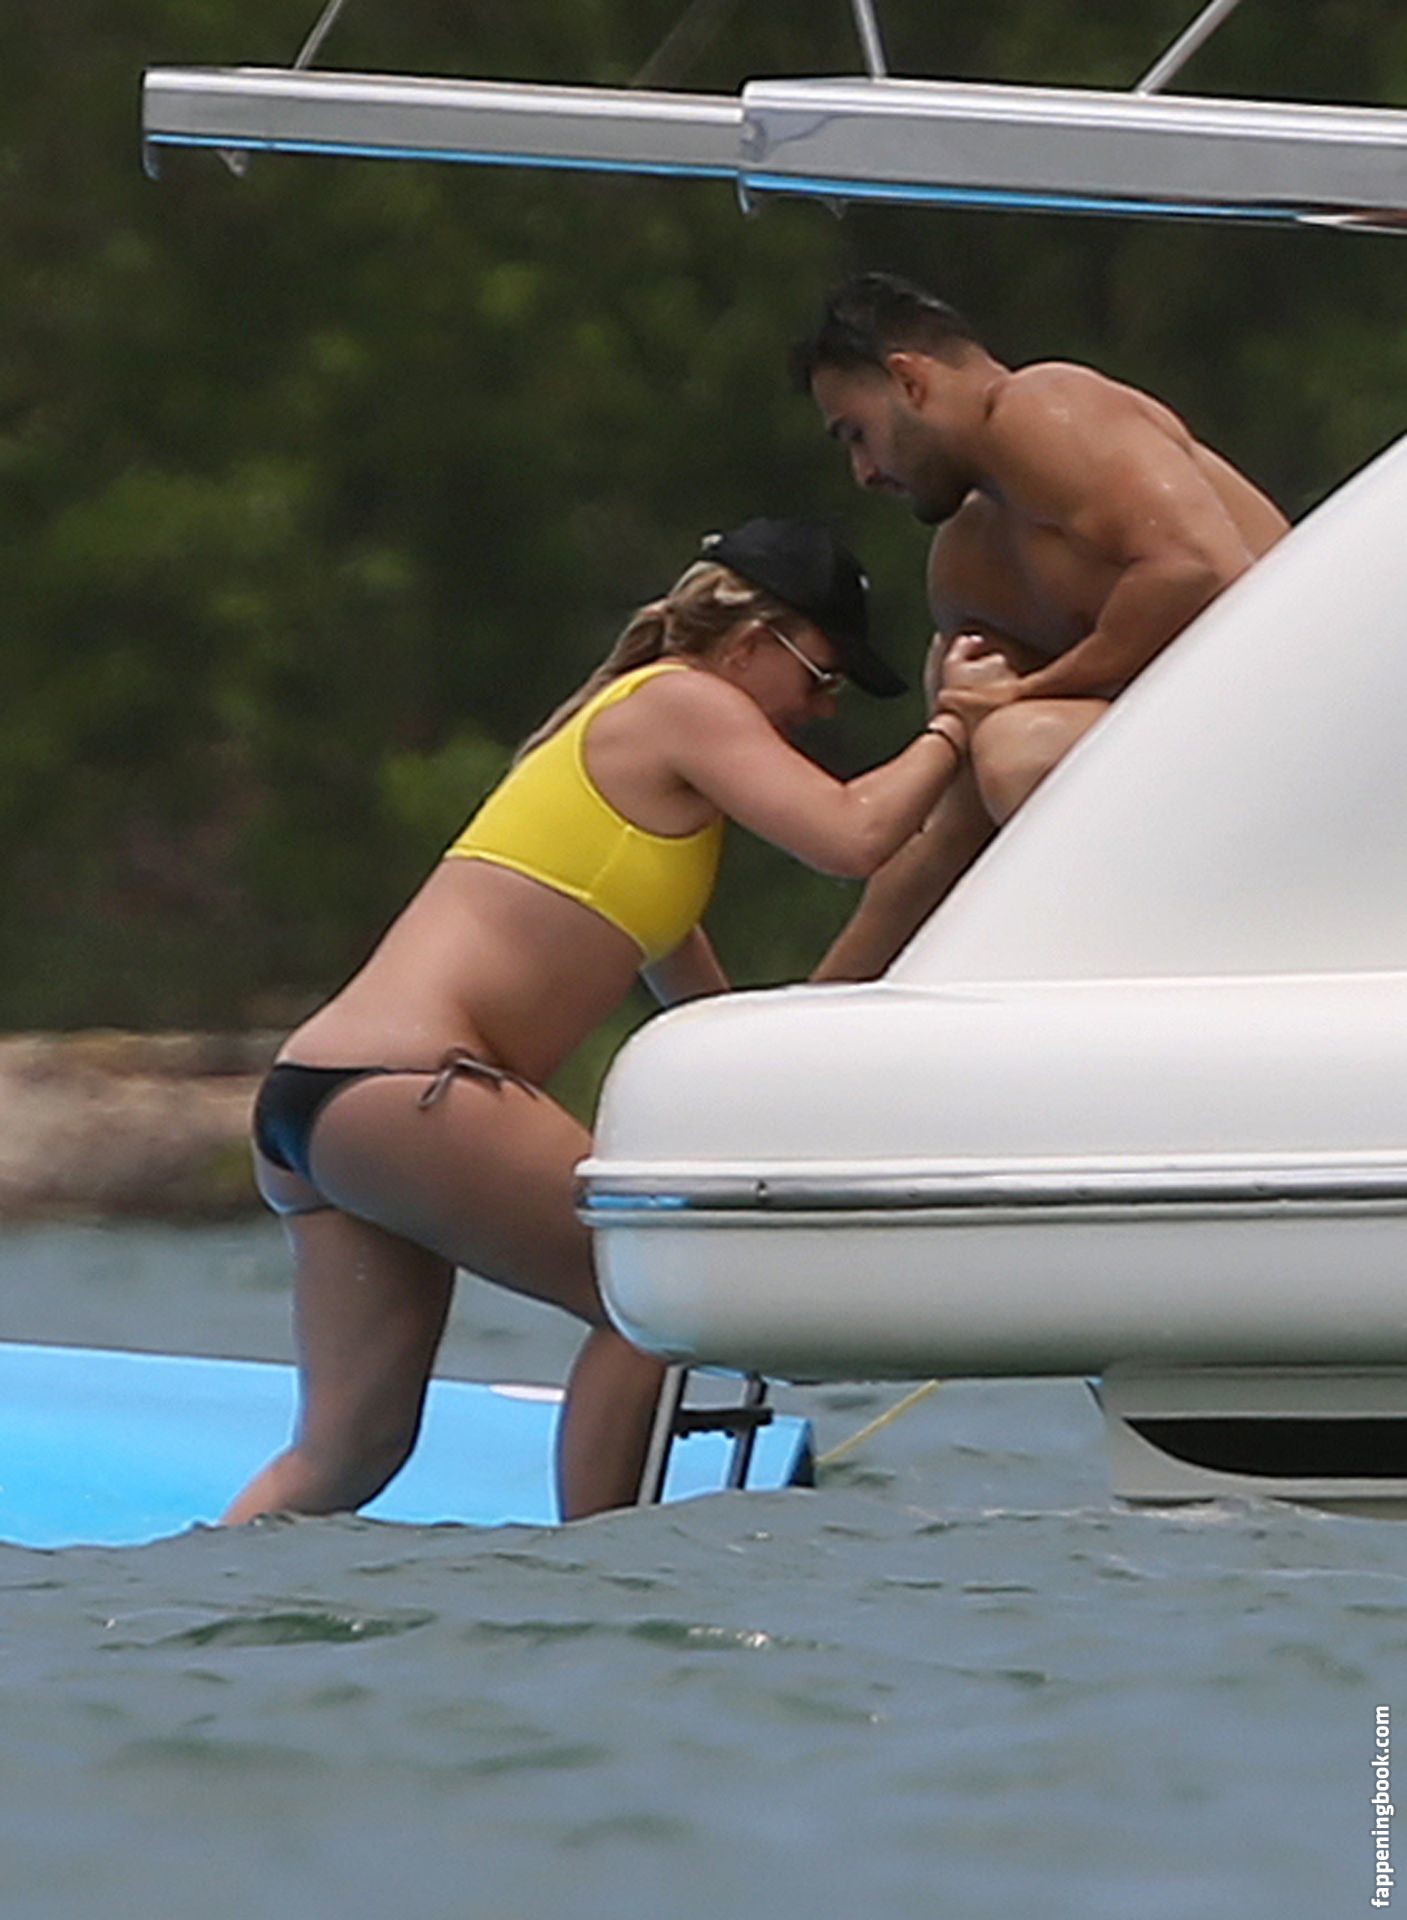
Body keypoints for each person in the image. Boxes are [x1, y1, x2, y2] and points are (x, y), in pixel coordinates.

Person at [229, 518, 973, 1525]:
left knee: (346, 1454)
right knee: (650, 1297)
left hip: (320, 1102)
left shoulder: (641, 759)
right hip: (403, 1088)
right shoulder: (681, 700)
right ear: (752, 642)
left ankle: (183, 1605)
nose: (820, 709)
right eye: (821, 676)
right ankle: (600, 1574)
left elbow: (693, 996)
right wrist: (955, 727)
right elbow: (853, 837)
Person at [790, 271, 1291, 980]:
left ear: (909, 381)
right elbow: (947, 831)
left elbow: (1196, 567)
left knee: (1020, 747)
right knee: (993, 753)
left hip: (1300, 743)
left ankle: (1167, 976)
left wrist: (1028, 691)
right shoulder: (968, 561)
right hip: (1216, 791)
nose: (863, 472)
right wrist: (819, 1002)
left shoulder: (1044, 406)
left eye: (857, 435)